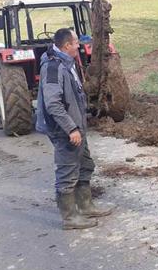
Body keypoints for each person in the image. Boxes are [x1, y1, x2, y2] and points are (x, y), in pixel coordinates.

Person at [36, 28, 113, 230]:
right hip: (65, 131)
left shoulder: (67, 62)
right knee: (67, 172)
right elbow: (53, 104)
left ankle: (85, 206)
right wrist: (71, 129)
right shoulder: (53, 68)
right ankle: (70, 217)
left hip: (76, 127)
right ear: (66, 45)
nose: (79, 45)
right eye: (76, 42)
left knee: (86, 165)